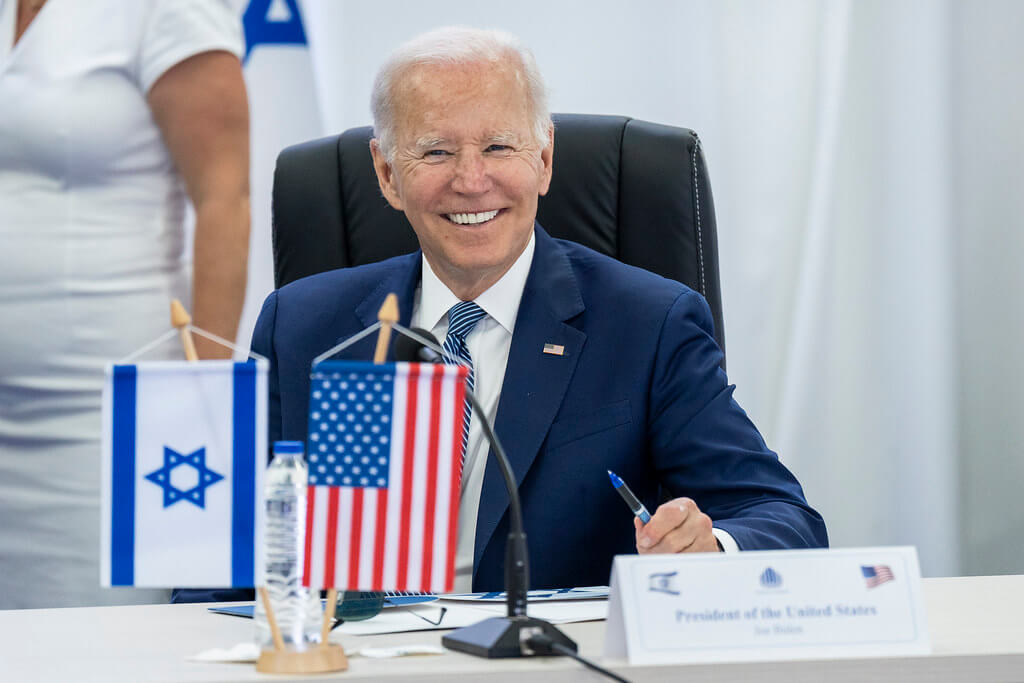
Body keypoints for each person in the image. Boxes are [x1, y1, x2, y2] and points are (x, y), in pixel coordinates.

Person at [179, 26, 826, 603]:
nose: (470, 180)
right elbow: (219, 554)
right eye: (434, 152)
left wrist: (709, 547)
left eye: (497, 147)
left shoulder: (649, 325)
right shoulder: (299, 324)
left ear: (544, 159)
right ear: (385, 173)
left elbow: (779, 516)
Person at [0, 0, 249, 608]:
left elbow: (224, 199)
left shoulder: (167, 9)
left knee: (99, 647)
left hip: (103, 415)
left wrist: (203, 403)